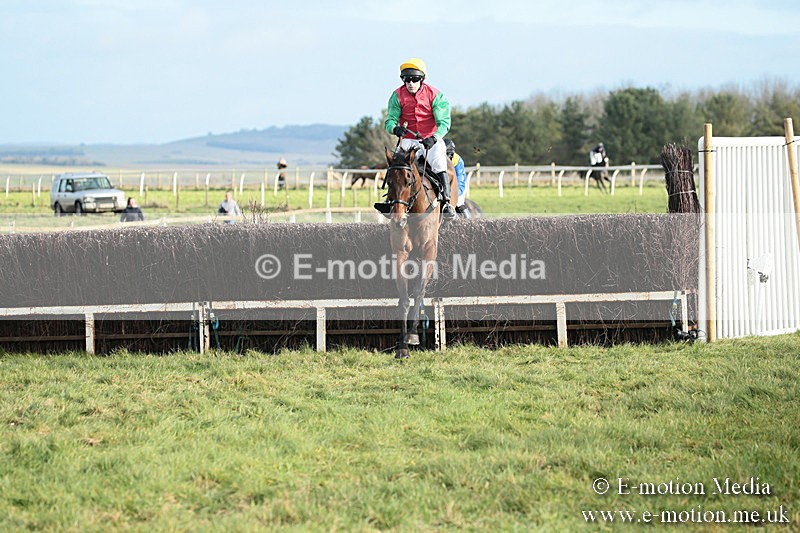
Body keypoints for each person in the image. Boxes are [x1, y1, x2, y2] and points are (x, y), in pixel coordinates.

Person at [383, 57, 455, 219]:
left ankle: (447, 203)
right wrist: (395, 128)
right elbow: (390, 120)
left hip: (430, 140)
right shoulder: (396, 96)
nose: (410, 83)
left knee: (438, 163)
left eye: (415, 79)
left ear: (422, 79)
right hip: (408, 140)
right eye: (406, 79)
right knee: (396, 169)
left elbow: (444, 123)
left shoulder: (435, 95)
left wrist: (435, 137)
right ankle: (390, 202)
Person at [444, 138, 468, 211]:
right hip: (443, 187)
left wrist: (454, 194)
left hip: (457, 186)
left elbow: (461, 181)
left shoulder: (457, 160)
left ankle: (468, 220)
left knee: (459, 203)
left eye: (447, 155)